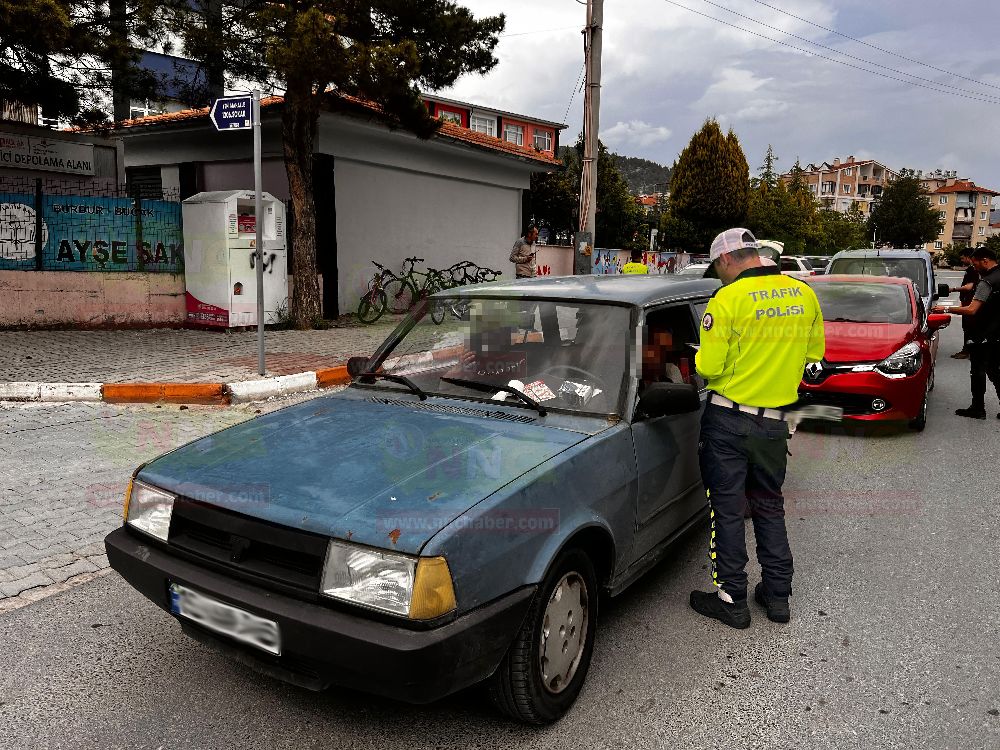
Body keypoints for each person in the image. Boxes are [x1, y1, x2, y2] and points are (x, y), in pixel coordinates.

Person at [690, 228, 825, 629]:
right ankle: (778, 595)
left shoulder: (727, 299)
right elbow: (813, 357)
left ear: (728, 259)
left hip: (728, 421)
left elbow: (709, 368)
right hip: (775, 422)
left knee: (728, 511)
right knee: (768, 505)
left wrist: (709, 359)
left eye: (717, 267)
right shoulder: (802, 293)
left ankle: (732, 600)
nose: (719, 274)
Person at [931, 247, 1000, 419]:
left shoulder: (987, 282)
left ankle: (977, 408)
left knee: (977, 371)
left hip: (982, 333)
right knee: (995, 370)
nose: (974, 266)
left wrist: (945, 308)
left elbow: (971, 309)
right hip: (998, 334)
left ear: (985, 260)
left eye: (975, 262)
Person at [949, 249, 980, 359]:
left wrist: (952, 289)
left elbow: (970, 286)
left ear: (968, 257)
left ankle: (968, 351)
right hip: (967, 301)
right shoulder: (972, 269)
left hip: (970, 302)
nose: (961, 260)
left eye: (963, 258)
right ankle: (970, 350)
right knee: (968, 328)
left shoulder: (973, 270)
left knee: (969, 328)